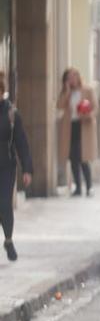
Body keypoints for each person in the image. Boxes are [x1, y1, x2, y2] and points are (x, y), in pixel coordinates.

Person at [0, 72, 33, 262]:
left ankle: (8, 240)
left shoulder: (11, 113)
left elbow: (21, 142)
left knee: (4, 203)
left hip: (6, 166)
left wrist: (27, 169)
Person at [56, 68, 97, 197]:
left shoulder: (87, 90)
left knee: (83, 157)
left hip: (83, 126)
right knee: (73, 157)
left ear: (78, 77)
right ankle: (78, 187)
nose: (72, 79)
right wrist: (67, 91)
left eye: (74, 76)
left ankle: (89, 186)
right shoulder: (67, 93)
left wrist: (87, 114)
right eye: (69, 78)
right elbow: (59, 105)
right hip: (70, 127)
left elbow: (95, 107)